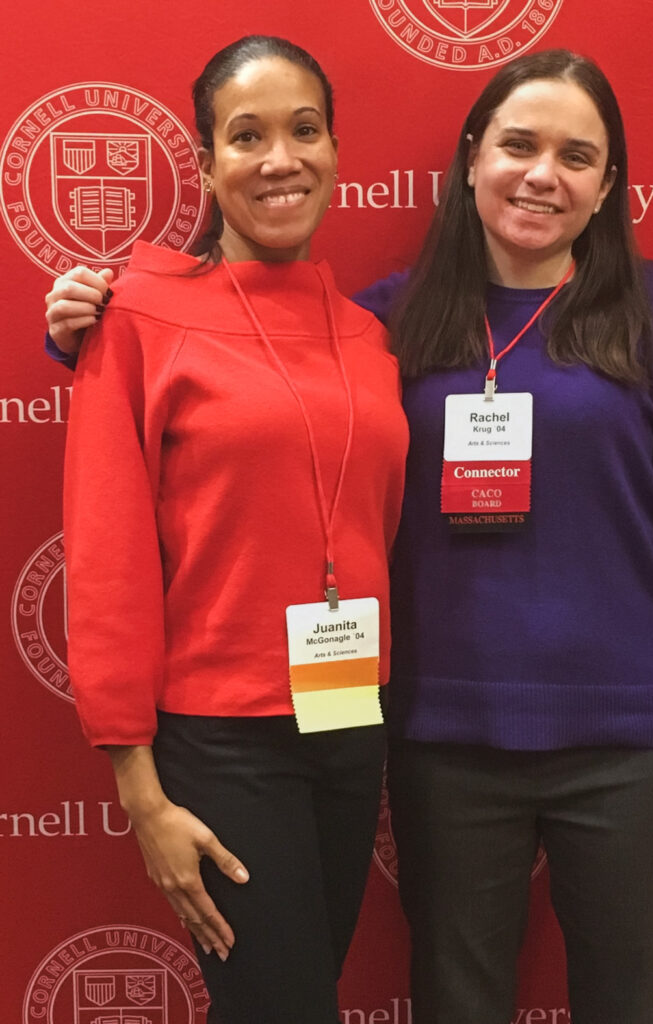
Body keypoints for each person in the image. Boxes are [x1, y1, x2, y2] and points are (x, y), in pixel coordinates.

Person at [46, 48, 653, 1024]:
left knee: (631, 997)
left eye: (576, 155)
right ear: (471, 160)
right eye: (518, 144)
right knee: (451, 996)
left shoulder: (651, 309)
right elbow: (236, 369)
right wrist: (83, 325)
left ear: (607, 187)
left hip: (623, 740)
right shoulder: (389, 321)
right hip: (443, 738)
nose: (542, 173)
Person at [52, 34, 408, 1024]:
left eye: (303, 131)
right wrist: (141, 789)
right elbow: (111, 553)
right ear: (207, 165)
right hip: (220, 743)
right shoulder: (136, 317)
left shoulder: (370, 336)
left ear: (336, 151)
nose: (279, 159)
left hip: (346, 718)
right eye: (246, 136)